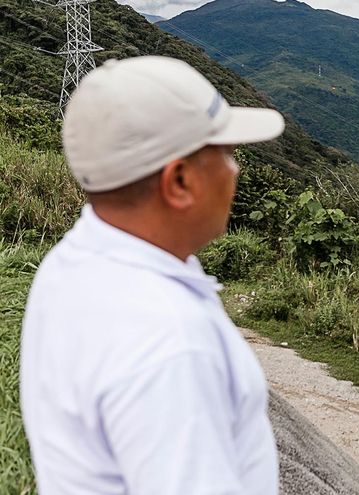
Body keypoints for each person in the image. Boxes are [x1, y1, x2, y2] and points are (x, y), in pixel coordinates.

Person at [19, 56, 285, 494]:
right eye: (226, 153)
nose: (236, 169)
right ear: (178, 181)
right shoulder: (168, 343)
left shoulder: (75, 261)